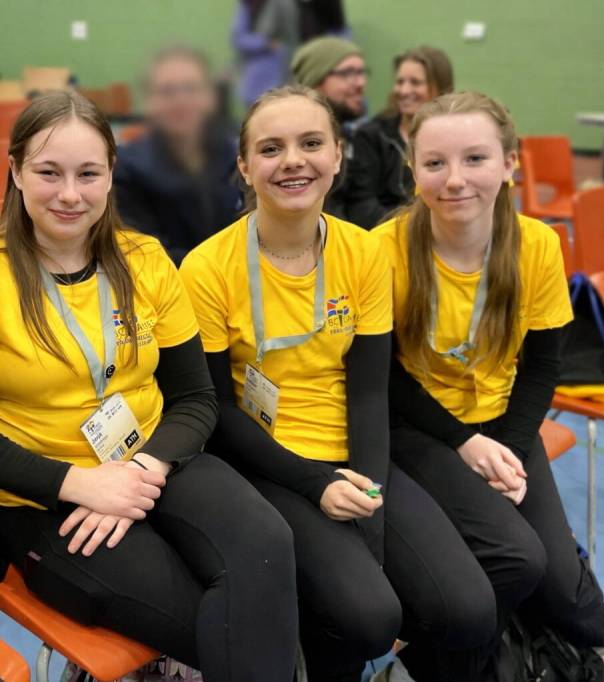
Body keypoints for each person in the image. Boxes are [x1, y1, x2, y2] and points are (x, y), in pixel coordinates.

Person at [0, 90, 299, 681]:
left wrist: (142, 470)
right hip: (46, 494)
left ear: (110, 175)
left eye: (88, 173)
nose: (70, 194)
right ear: (17, 172)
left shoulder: (146, 259)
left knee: (268, 553)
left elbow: (195, 399)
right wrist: (82, 485)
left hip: (154, 462)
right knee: (226, 619)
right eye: (49, 173)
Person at [180, 85, 497, 682]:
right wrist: (316, 483)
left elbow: (371, 391)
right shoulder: (206, 268)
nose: (293, 160)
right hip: (267, 463)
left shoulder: (363, 253)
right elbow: (217, 409)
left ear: (338, 156)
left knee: (469, 609)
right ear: (245, 167)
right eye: (271, 148)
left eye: (311, 143)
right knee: (369, 616)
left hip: (354, 458)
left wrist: (370, 505)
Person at [375, 90, 604, 676]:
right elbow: (385, 377)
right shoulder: (385, 250)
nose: (455, 180)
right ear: (413, 170)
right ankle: (429, 664)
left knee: (573, 598)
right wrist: (464, 442)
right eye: (435, 163)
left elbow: (544, 365)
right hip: (422, 427)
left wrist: (506, 444)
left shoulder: (537, 245)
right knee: (520, 560)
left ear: (510, 163)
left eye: (475, 159)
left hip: (506, 422)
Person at [114, 45, 243, 264]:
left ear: (211, 97)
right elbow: (146, 255)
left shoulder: (237, 158)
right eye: (167, 91)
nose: (181, 101)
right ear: (148, 101)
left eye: (191, 88)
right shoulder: (127, 170)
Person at [346, 46, 454, 229]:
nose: (404, 91)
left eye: (415, 82)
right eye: (400, 81)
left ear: (440, 88)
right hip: (386, 237)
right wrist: (413, 229)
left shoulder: (456, 135)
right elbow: (362, 206)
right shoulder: (371, 136)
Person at [290, 35, 368, 219]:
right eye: (348, 74)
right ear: (315, 81)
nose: (360, 83)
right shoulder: (292, 149)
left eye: (361, 73)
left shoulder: (359, 138)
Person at [231, 0, 299, 107]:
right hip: (256, 81)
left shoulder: (284, 4)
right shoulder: (247, 6)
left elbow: (292, 38)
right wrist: (265, 43)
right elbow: (238, 38)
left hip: (281, 77)